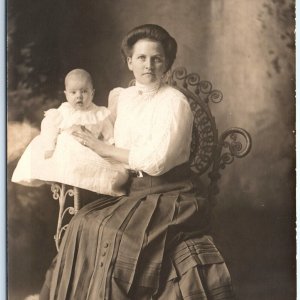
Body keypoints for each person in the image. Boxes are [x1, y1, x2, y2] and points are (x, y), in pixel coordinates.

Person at [40, 24, 235, 299]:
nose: (149, 65)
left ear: (166, 62)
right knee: (84, 221)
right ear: (130, 62)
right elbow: (116, 142)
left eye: (156, 58)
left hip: (170, 193)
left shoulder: (174, 103)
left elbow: (155, 163)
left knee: (119, 236)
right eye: (141, 58)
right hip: (134, 190)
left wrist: (100, 147)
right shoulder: (125, 97)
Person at [11, 69, 128, 196]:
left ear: (92, 93)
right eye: (73, 92)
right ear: (66, 94)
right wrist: (49, 146)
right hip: (68, 153)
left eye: (84, 91)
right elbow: (49, 127)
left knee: (110, 171)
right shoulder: (64, 111)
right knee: (61, 141)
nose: (79, 96)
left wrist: (111, 147)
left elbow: (110, 136)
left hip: (90, 152)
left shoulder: (99, 113)